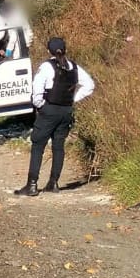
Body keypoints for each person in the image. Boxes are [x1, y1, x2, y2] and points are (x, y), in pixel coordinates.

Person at [15, 37, 95, 197]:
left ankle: (32, 185)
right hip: (66, 111)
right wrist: (72, 99)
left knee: (38, 145)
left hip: (49, 109)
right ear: (65, 49)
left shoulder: (46, 67)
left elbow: (37, 90)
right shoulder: (73, 66)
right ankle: (54, 183)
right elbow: (90, 85)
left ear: (48, 51)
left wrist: (41, 105)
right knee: (58, 146)